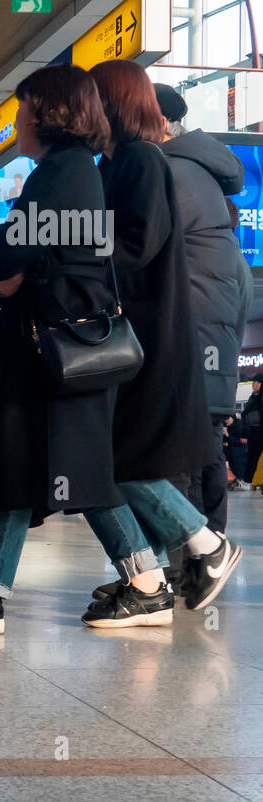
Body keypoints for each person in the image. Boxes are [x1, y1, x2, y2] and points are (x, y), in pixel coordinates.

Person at [0, 64, 174, 633]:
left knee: (59, 470)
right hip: (55, 352)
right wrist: (11, 265)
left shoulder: (62, 172)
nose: (15, 121)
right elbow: (14, 252)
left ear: (49, 112)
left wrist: (10, 269)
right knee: (40, 468)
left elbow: (6, 252)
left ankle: (143, 584)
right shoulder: (70, 170)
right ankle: (132, 584)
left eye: (22, 109)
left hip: (57, 353)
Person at [85, 58, 241, 617]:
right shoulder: (129, 162)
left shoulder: (149, 164)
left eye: (91, 99)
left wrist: (72, 247)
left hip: (158, 335)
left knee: (132, 458)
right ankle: (159, 569)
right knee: (124, 458)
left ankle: (182, 559)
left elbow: (139, 245)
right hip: (159, 331)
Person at [156, 83, 251, 540]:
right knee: (201, 460)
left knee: (190, 464)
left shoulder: (173, 172)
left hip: (197, 361)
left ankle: (200, 553)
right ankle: (202, 551)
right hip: (211, 365)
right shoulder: (228, 251)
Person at [243, 375, 263, 486]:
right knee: (252, 457)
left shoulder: (259, 398)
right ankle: (248, 480)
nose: (252, 384)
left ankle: (249, 480)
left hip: (258, 431)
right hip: (253, 432)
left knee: (254, 457)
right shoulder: (254, 396)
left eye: (254, 382)